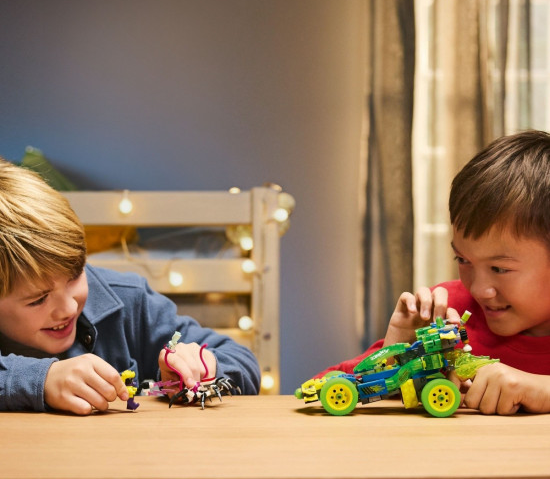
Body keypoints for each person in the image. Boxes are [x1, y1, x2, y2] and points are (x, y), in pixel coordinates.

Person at [0, 158, 260, 414]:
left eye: (75, 275)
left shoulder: (129, 301)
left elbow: (243, 361)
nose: (68, 307)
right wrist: (40, 380)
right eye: (38, 299)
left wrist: (203, 366)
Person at [317, 129, 550, 415]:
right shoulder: (447, 315)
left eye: (499, 268)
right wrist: (395, 355)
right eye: (463, 259)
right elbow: (324, 390)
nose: (478, 289)